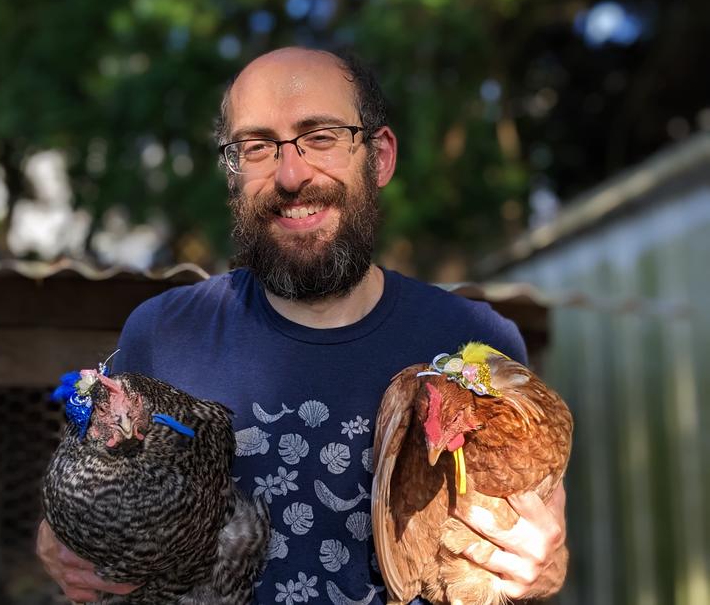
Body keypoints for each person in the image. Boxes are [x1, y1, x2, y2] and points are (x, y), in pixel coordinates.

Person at [36, 47, 568, 604]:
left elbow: (541, 542)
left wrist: (545, 567)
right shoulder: (165, 334)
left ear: (380, 156)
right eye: (258, 146)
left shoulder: (474, 349)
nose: (291, 175)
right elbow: (77, 509)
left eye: (321, 137)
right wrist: (58, 542)